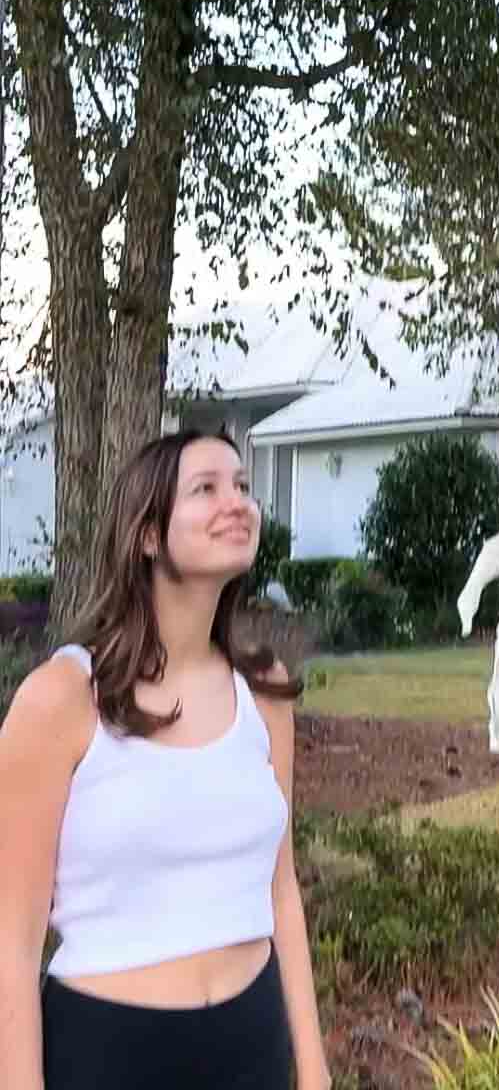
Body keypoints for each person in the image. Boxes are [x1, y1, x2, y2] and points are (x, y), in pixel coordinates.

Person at [0, 427, 331, 1090]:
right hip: (109, 1053)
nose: (236, 502)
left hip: (252, 1046)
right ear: (147, 535)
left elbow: (280, 889)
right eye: (205, 489)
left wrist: (314, 1068)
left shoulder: (263, 689)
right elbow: (13, 933)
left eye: (241, 486)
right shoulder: (62, 699)